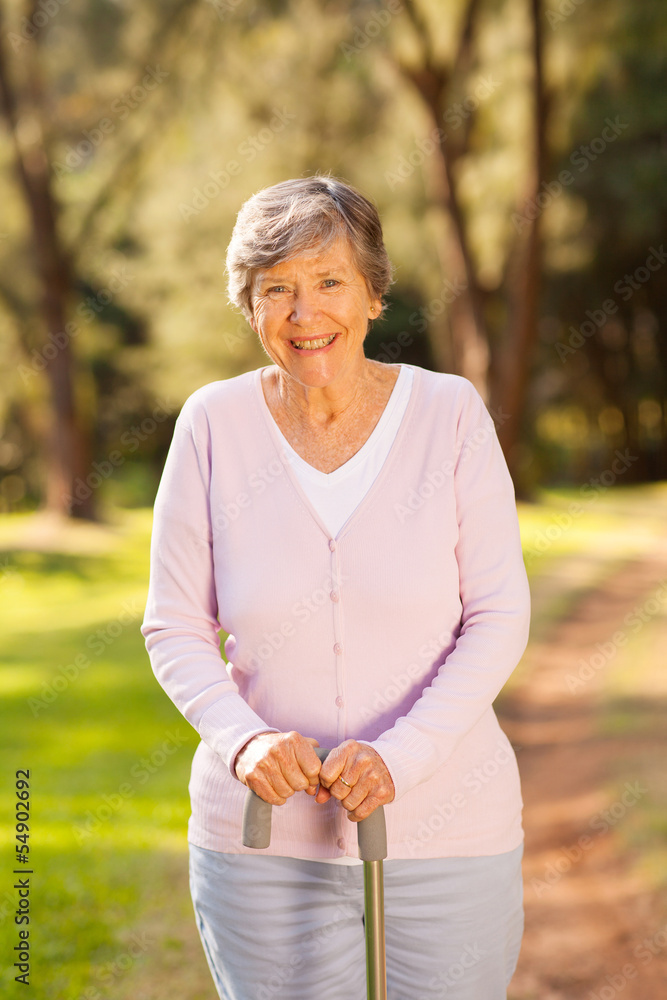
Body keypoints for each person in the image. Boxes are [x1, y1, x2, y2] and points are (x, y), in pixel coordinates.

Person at [141, 174, 531, 1000]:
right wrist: (243, 741)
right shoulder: (211, 425)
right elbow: (173, 624)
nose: (302, 314)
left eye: (328, 282)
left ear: (372, 294)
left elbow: (497, 614)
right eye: (274, 289)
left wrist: (401, 757)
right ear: (248, 307)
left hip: (450, 832)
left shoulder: (449, 414)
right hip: (260, 847)